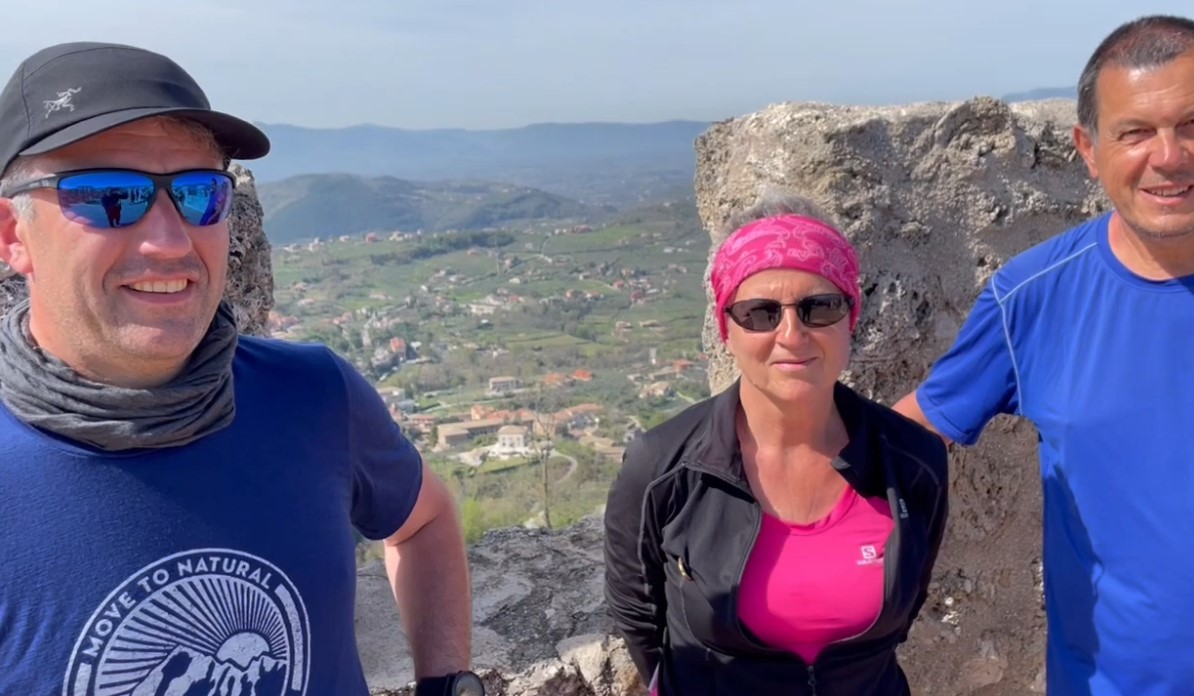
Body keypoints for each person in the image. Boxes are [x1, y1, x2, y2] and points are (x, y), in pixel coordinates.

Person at [0, 42, 484, 696]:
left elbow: (423, 520)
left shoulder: (315, 397)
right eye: (111, 196)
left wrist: (448, 684)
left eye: (200, 194)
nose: (170, 242)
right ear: (12, 233)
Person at [892, 14, 1194, 696]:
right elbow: (904, 438)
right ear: (1088, 148)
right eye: (1134, 132)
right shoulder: (1031, 298)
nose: (1167, 156)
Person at [603, 194, 948, 695]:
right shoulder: (662, 468)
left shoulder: (914, 461)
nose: (792, 334)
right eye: (760, 313)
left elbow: (907, 603)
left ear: (851, 317)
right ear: (726, 327)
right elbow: (639, 617)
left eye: (819, 307)